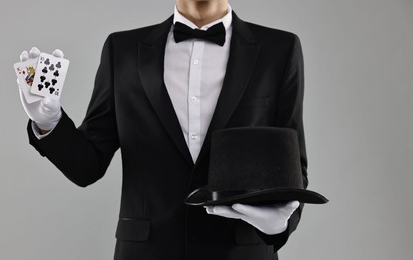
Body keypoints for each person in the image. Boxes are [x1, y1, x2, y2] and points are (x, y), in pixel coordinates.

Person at [18, 0, 307, 259]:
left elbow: (292, 169)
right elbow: (87, 165)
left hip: (242, 253)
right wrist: (49, 122)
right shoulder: (122, 50)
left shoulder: (279, 50)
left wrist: (281, 225)